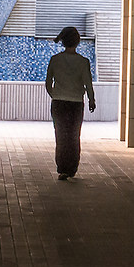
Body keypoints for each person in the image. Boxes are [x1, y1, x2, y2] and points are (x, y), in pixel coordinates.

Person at [44, 25, 95, 179]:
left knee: (60, 135)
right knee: (73, 136)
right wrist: (91, 100)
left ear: (63, 42)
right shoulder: (83, 62)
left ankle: (62, 168)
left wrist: (56, 94)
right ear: (77, 42)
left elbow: (48, 83)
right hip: (75, 104)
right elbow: (88, 84)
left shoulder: (55, 60)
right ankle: (71, 168)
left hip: (59, 103)